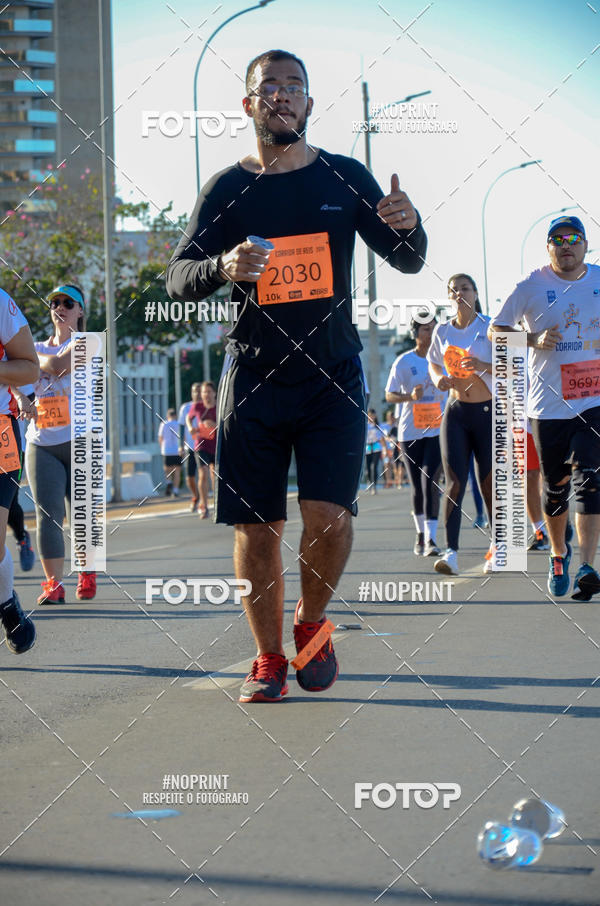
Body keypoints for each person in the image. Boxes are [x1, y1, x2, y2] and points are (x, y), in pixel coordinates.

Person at [166, 48, 427, 702]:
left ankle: (311, 625)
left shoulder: (344, 177)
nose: (282, 95)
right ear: (250, 104)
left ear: (309, 104)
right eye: (268, 87)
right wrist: (223, 266)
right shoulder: (227, 189)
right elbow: (176, 277)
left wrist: (411, 225)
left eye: (294, 86)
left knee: (329, 518)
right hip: (253, 377)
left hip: (332, 377)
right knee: (258, 530)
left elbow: (408, 260)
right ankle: (267, 657)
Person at [490, 215, 600, 599]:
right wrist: (532, 338)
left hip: (593, 400)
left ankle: (587, 564)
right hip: (548, 405)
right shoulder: (531, 286)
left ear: (586, 245)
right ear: (548, 247)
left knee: (591, 477)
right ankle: (559, 552)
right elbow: (496, 331)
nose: (566, 245)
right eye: (558, 239)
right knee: (556, 488)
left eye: (574, 238)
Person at [22, 284, 97, 603]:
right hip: (42, 442)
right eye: (55, 302)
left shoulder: (90, 342)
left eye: (69, 302)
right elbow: (17, 381)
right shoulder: (36, 346)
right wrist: (20, 395)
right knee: (47, 515)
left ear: (81, 311)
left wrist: (25, 358)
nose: (61, 307)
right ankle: (54, 585)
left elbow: (58, 366)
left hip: (82, 439)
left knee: (83, 513)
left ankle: (87, 571)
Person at [428, 275, 493, 575]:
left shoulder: (490, 326)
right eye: (453, 289)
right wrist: (437, 378)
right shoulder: (442, 331)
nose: (458, 293)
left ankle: (498, 546)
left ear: (476, 293)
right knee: (454, 482)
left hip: (487, 411)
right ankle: (451, 552)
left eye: (464, 288)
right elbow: (433, 363)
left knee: (489, 483)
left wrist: (483, 366)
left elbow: (515, 362)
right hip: (455, 412)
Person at [385, 316, 445, 556]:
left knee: (430, 481)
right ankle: (420, 534)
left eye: (433, 328)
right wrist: (409, 397)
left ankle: (431, 539)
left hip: (438, 430)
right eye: (425, 329)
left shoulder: (443, 360)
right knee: (417, 487)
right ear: (415, 333)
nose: (429, 333)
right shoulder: (404, 361)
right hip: (410, 432)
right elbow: (390, 395)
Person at [0, 288, 39, 653]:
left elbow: (29, 366)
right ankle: (7, 603)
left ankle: (7, 602)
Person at [186, 381, 217, 519]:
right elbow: (188, 417)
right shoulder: (197, 406)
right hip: (201, 445)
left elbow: (227, 421)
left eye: (209, 392)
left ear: (214, 393)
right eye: (204, 392)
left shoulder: (219, 406)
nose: (206, 395)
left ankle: (218, 504)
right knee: (203, 474)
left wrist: (214, 425)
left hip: (216, 445)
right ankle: (203, 505)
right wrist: (190, 427)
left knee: (215, 476)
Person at [178, 383, 201, 511]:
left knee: (204, 474)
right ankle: (195, 496)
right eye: (194, 391)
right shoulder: (185, 408)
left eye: (199, 391)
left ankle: (204, 501)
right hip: (190, 447)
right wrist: (180, 446)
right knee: (189, 476)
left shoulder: (207, 407)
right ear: (191, 393)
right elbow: (181, 427)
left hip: (204, 446)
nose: (197, 394)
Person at [158, 408, 181, 496]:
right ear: (175, 415)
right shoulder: (179, 424)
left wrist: (162, 448)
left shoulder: (163, 424)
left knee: (167, 470)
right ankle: (175, 490)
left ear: (168, 416)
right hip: (177, 450)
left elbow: (160, 438)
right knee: (177, 471)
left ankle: (168, 482)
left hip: (167, 450)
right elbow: (183, 437)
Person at [365, 409, 382, 494]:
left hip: (376, 447)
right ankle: (369, 481)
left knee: (374, 467)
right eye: (370, 415)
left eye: (373, 415)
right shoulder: (365, 425)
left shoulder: (378, 425)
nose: (372, 417)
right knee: (368, 468)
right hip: (367, 448)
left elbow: (382, 438)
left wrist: (385, 449)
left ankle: (374, 485)